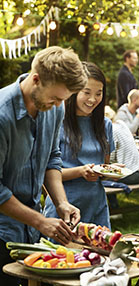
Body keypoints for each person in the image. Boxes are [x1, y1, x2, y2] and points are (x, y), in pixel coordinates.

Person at [0, 46, 85, 285]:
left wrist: (61, 203)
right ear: (35, 79)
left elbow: (52, 158)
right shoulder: (2, 115)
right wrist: (39, 220)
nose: (59, 104)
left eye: (63, 99)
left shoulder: (55, 108)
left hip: (29, 232)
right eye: (55, 98)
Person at [44, 62, 115, 229]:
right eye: (86, 92)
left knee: (100, 254)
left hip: (96, 204)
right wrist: (80, 171)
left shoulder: (105, 125)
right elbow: (45, 173)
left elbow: (104, 166)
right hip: (64, 206)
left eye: (98, 94)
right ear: (74, 91)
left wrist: (109, 171)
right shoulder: (57, 122)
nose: (92, 99)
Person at [108, 116, 139, 209]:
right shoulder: (121, 125)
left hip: (131, 175)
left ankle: (114, 208)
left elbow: (110, 158)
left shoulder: (111, 131)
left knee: (102, 178)